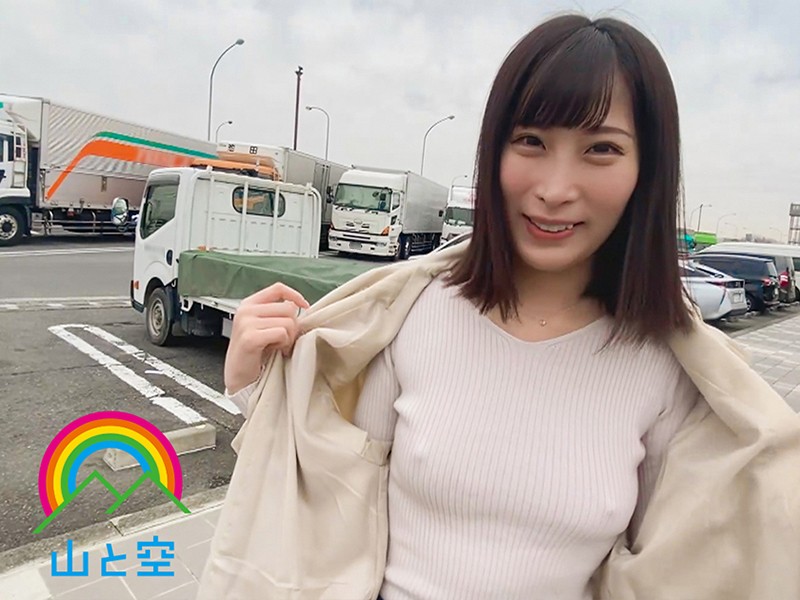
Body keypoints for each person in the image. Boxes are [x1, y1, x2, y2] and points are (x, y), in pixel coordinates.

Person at [202, 13, 800, 600]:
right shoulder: (415, 313)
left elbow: (672, 564)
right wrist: (255, 385)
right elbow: (330, 490)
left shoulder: (667, 366)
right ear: (493, 151)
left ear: (647, 171)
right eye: (531, 141)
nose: (555, 189)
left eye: (601, 149)